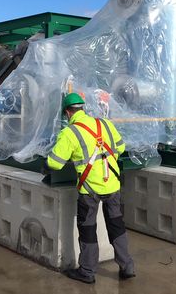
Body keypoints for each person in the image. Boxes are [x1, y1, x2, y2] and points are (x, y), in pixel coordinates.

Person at [46, 92, 135, 284]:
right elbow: (120, 148)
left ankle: (87, 272)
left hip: (89, 190)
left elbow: (54, 163)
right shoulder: (105, 124)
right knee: (117, 225)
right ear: (82, 108)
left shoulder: (70, 133)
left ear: (68, 113)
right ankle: (127, 266)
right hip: (112, 184)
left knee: (87, 229)